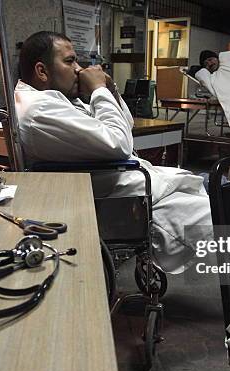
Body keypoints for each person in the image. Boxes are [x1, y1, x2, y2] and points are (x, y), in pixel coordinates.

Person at [15, 31, 212, 273]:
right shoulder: (40, 110)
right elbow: (119, 143)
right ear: (42, 71)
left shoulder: (59, 99)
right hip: (130, 199)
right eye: (69, 61)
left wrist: (109, 89)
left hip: (147, 186)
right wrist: (98, 91)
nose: (79, 69)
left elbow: (125, 124)